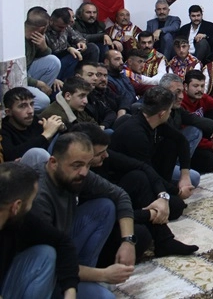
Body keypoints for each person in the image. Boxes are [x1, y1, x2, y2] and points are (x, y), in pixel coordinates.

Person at [28, 132, 138, 299]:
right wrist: (103, 275)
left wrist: (128, 241)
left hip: (62, 249)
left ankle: (85, 275)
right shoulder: (37, 196)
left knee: (105, 207)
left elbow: (120, 195)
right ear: (53, 163)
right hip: (43, 270)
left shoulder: (76, 174)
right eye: (77, 165)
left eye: (88, 165)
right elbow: (52, 262)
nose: (84, 172)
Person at [74, 123, 199, 258]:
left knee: (141, 179)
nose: (106, 155)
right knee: (141, 235)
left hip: (118, 205)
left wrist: (162, 196)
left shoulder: (100, 161)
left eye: (106, 150)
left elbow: (142, 167)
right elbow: (105, 213)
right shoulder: (78, 177)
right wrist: (148, 214)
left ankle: (164, 240)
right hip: (97, 221)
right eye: (100, 153)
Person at [0, 162, 79, 299]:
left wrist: (70, 291)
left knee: (46, 253)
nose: (33, 205)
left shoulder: (18, 219)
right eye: (32, 200)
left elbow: (62, 242)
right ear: (17, 206)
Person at [110, 86, 196, 198]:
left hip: (148, 170)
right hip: (127, 180)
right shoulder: (136, 134)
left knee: (171, 143)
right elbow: (147, 170)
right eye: (170, 110)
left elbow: (181, 140)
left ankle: (166, 186)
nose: (170, 112)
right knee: (176, 204)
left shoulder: (154, 121)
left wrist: (185, 176)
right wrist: (177, 192)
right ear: (162, 114)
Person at [1, 87, 64, 162]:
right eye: (22, 106)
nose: (30, 111)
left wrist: (60, 128)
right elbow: (10, 155)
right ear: (8, 112)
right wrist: (45, 135)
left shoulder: (34, 120)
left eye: (32, 104)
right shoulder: (3, 130)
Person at [24, 7, 61, 111]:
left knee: (53, 61)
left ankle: (38, 93)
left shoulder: (35, 37)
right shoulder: (18, 40)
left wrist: (44, 48)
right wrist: (39, 84)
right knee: (43, 101)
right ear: (42, 28)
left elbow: (44, 57)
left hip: (27, 74)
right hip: (15, 80)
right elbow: (16, 74)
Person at [46, 7, 98, 80]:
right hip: (55, 59)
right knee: (73, 56)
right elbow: (54, 50)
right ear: (51, 21)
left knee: (92, 48)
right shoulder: (45, 29)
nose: (63, 30)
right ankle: (69, 82)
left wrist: (81, 42)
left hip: (68, 53)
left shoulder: (66, 26)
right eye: (60, 27)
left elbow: (78, 37)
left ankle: (90, 75)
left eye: (65, 27)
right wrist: (69, 49)